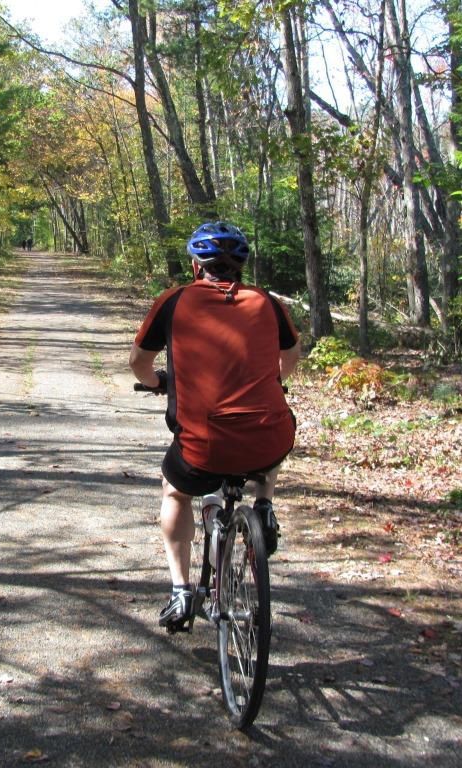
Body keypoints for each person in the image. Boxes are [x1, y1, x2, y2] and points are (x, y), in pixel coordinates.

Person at [128, 221, 301, 631]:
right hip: (268, 438)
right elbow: (290, 358)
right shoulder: (268, 303)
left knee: (175, 491)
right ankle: (264, 504)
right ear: (242, 266)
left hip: (202, 447)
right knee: (275, 423)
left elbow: (138, 362)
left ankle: (181, 590)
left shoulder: (174, 300)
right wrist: (272, 380)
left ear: (195, 264)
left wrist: (157, 383)